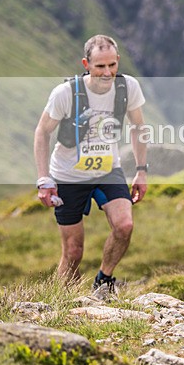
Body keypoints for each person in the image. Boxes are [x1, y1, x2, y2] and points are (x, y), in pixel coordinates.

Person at [34, 34, 148, 293]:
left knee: (124, 225)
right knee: (73, 252)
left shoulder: (128, 87)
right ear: (86, 63)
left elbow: (138, 127)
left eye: (112, 65)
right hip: (68, 177)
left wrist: (141, 171)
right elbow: (42, 132)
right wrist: (44, 179)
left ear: (118, 61)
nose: (107, 73)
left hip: (108, 170)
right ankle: (60, 302)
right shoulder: (65, 93)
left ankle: (104, 281)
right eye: (100, 66)